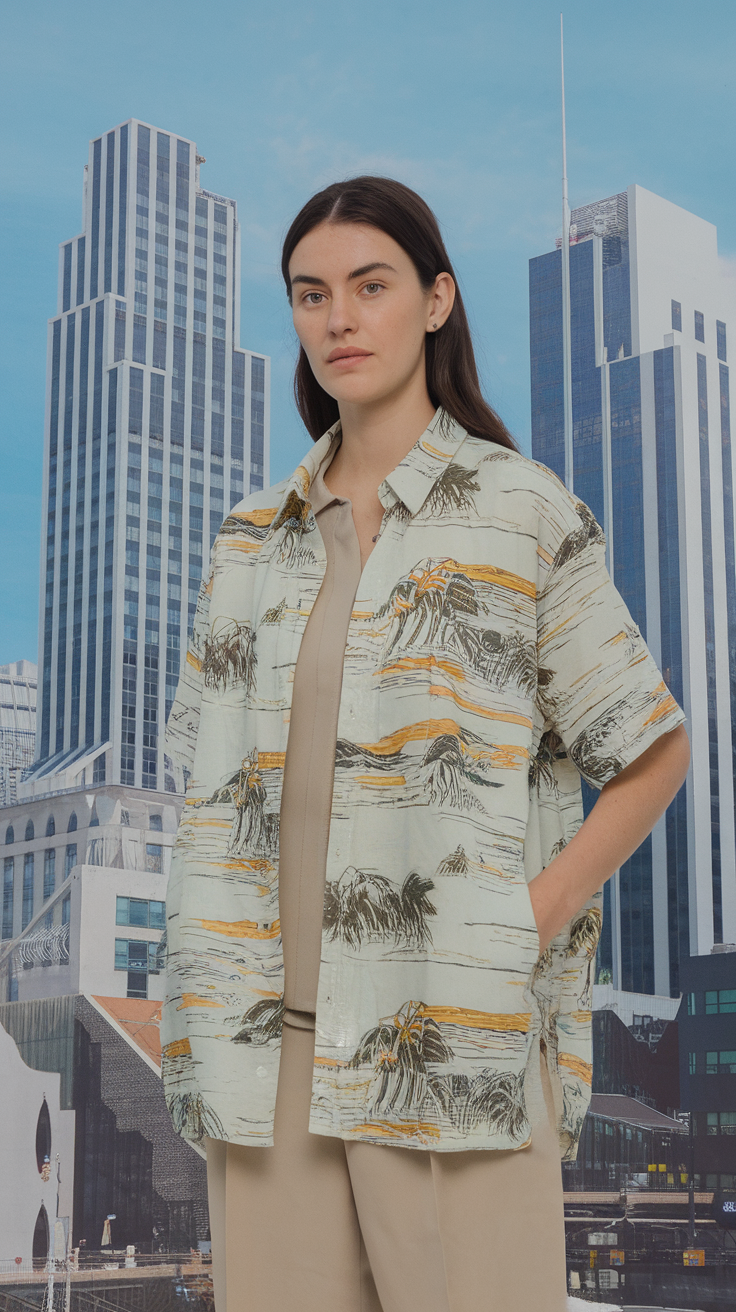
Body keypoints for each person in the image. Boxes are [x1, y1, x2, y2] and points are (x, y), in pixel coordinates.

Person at [161, 176, 690, 1312]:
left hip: (447, 1039)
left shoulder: (522, 512)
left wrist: (530, 915)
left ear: (436, 300)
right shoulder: (247, 540)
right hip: (268, 1061)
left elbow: (651, 749)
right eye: (311, 294)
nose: (338, 319)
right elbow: (205, 786)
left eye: (370, 286)